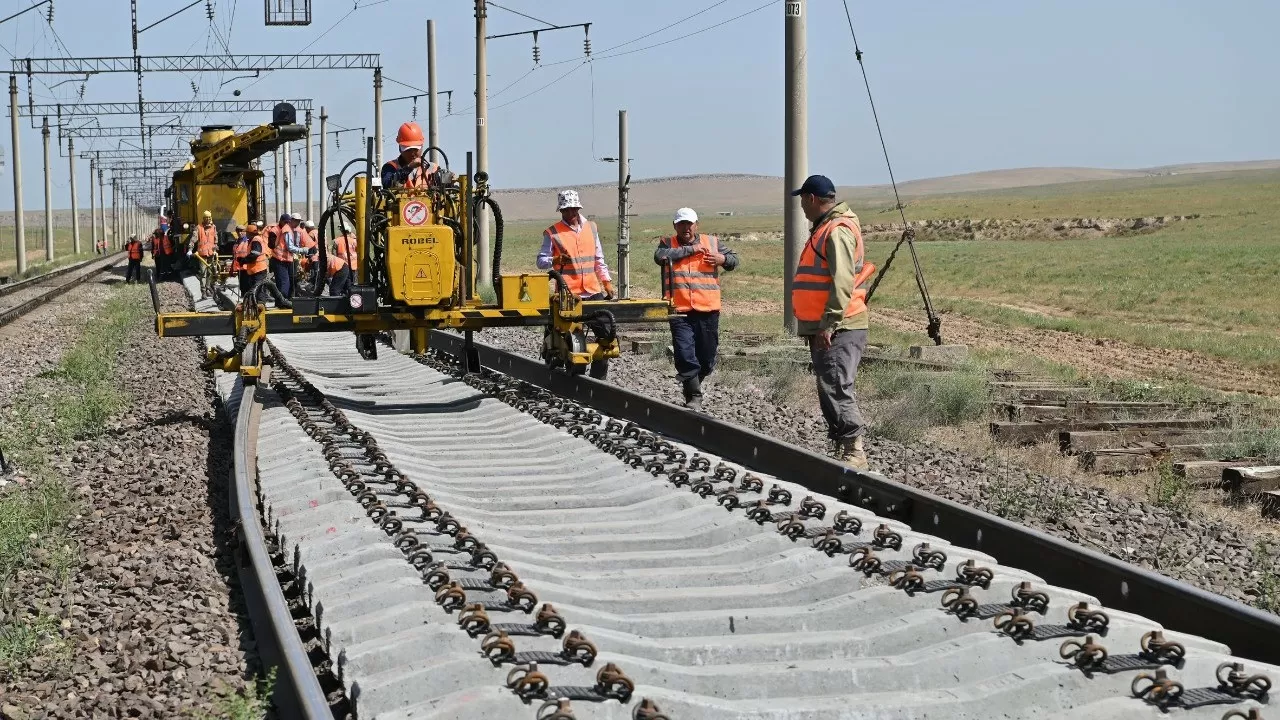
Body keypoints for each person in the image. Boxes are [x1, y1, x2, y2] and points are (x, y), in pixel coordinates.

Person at [790, 174, 877, 470]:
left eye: (802, 199)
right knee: (830, 383)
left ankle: (855, 451)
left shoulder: (836, 231)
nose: (801, 206)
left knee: (837, 384)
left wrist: (829, 323)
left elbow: (842, 281)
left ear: (812, 199)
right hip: (831, 324)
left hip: (840, 325)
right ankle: (845, 449)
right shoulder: (827, 228)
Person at [654, 207, 738, 411]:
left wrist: (723, 259)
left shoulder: (713, 242)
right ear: (675, 226)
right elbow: (661, 257)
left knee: (707, 359)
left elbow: (734, 260)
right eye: (681, 224)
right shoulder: (667, 244)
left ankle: (691, 383)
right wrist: (691, 250)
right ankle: (694, 395)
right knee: (684, 353)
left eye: (689, 224)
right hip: (679, 310)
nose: (686, 228)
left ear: (696, 225)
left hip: (708, 310)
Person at [536, 190, 616, 378]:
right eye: (566, 210)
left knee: (606, 336)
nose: (570, 213)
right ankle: (568, 370)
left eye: (573, 209)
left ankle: (598, 380)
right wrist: (555, 259)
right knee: (570, 335)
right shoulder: (553, 232)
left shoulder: (591, 228)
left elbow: (598, 259)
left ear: (578, 208)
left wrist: (606, 283)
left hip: (592, 290)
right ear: (561, 211)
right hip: (568, 293)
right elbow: (540, 261)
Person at [381, 122, 439, 189]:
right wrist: (409, 168)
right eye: (408, 149)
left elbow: (446, 192)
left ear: (422, 147)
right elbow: (387, 185)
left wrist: (449, 180)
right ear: (400, 148)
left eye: (415, 149)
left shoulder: (433, 169)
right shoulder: (390, 168)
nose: (412, 153)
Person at [269, 212, 308, 297]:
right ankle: (283, 302)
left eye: (299, 221)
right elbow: (290, 247)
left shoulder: (289, 229)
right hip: (280, 259)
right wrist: (303, 250)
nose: (298, 223)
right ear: (292, 220)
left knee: (288, 281)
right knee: (284, 282)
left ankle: (284, 301)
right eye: (297, 221)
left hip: (286, 259)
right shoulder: (287, 230)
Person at [234, 222, 270, 300]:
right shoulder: (254, 239)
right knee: (255, 289)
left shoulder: (255, 240)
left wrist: (244, 260)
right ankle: (257, 305)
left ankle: (260, 305)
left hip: (258, 269)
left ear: (249, 232)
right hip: (255, 269)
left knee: (258, 289)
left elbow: (254, 254)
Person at [189, 211, 219, 296]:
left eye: (209, 218)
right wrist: (190, 249)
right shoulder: (198, 228)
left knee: (210, 272)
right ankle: (203, 291)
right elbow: (193, 239)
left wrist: (216, 246)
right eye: (206, 218)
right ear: (203, 218)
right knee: (203, 273)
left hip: (211, 254)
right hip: (202, 255)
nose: (208, 219)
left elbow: (215, 238)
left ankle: (208, 288)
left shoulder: (213, 227)